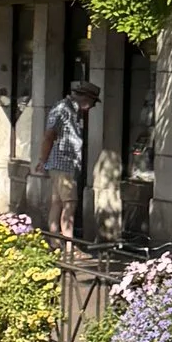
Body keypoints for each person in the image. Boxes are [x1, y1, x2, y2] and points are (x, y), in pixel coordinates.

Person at [37, 79, 97, 252]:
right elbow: (49, 135)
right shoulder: (63, 109)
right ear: (85, 98)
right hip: (62, 165)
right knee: (70, 204)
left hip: (64, 165)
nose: (92, 107)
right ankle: (69, 247)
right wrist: (43, 160)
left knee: (58, 203)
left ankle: (55, 242)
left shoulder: (72, 111)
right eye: (92, 103)